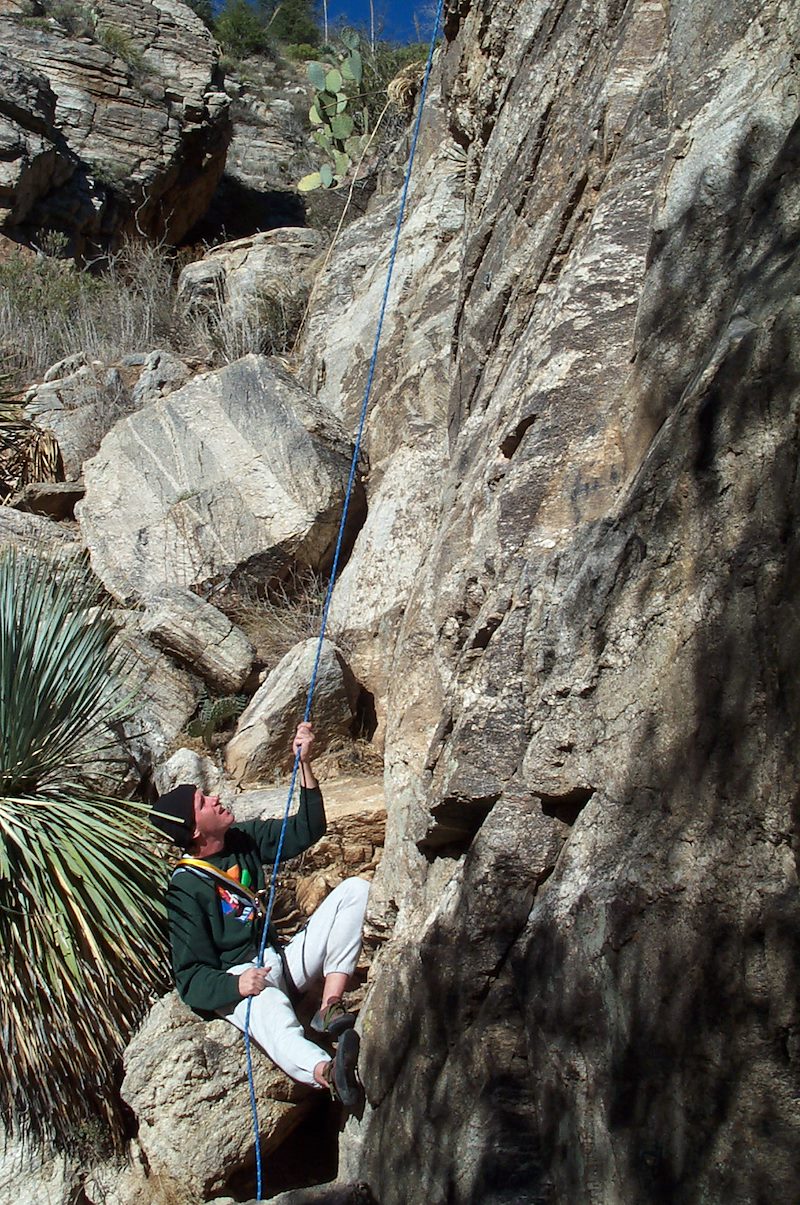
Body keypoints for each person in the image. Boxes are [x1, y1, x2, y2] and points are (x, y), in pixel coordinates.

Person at [150, 721, 369, 1109]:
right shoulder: (185, 889)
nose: (215, 799)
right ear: (196, 832)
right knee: (276, 1024)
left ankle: (328, 1006)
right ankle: (328, 1072)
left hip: (278, 962)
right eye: (203, 803)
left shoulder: (240, 839)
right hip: (244, 980)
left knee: (355, 892)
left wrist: (304, 765)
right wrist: (237, 986)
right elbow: (190, 976)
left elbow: (306, 829)